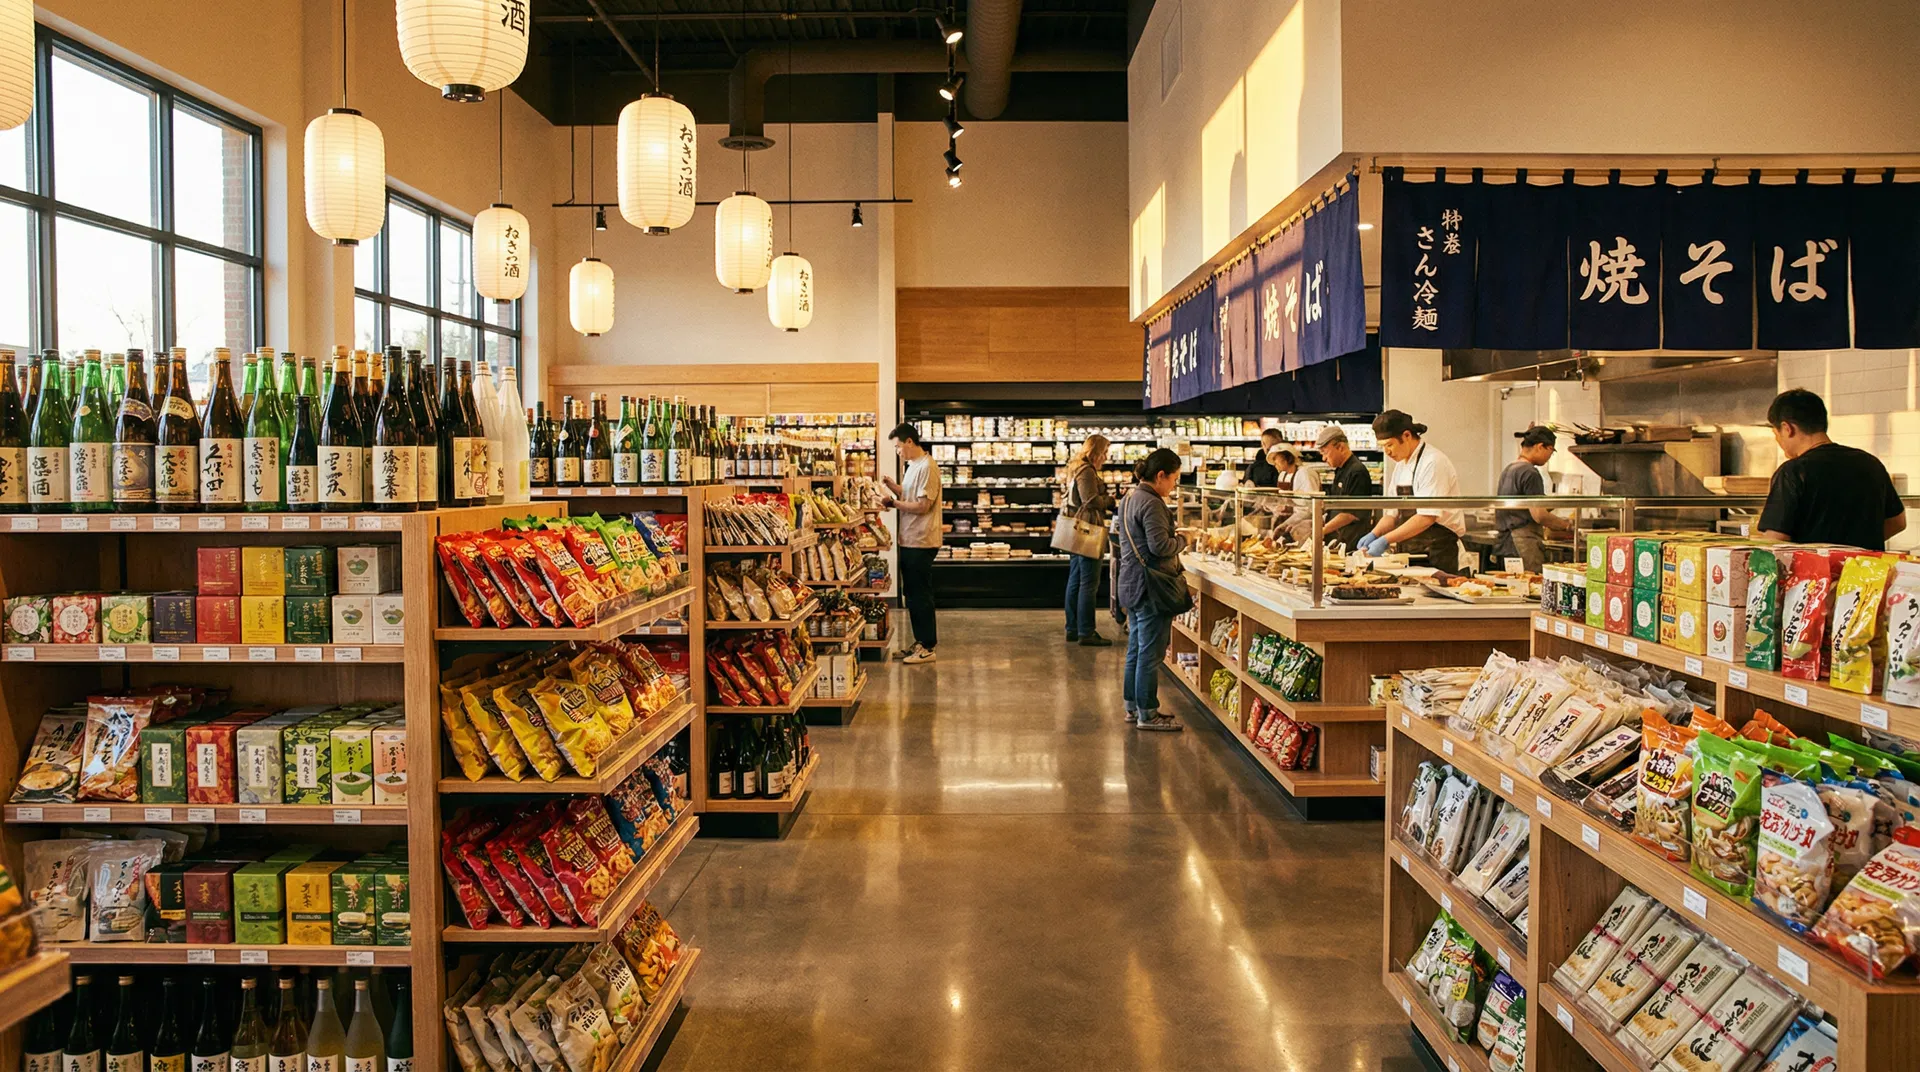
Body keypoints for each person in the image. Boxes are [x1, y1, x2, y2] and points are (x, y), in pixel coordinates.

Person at [1759, 388, 1906, 550]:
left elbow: (1775, 541)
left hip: (1815, 573)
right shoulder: (1870, 463)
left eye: (1776, 434)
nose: (1778, 441)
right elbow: (1897, 522)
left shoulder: (1793, 471)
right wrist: (1853, 548)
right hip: (1865, 571)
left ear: (1787, 429)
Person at [1116, 448, 1188, 732]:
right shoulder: (1152, 502)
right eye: (1174, 479)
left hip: (1131, 582)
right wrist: (1184, 539)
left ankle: (1133, 707)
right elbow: (1160, 547)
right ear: (1160, 476)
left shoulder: (1129, 497)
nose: (1174, 485)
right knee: (1149, 652)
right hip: (1151, 587)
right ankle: (1148, 714)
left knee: (1136, 648)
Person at [1356, 409, 1466, 572]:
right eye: (1383, 447)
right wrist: (1374, 534)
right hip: (1410, 549)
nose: (1387, 452)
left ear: (1407, 435)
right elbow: (1392, 515)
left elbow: (1427, 517)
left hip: (1439, 551)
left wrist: (1385, 540)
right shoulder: (1401, 466)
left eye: (1389, 445)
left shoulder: (1433, 462)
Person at [881, 422, 943, 664]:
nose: (898, 451)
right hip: (910, 539)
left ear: (909, 442)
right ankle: (920, 642)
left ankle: (928, 646)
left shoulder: (928, 467)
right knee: (913, 594)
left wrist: (893, 503)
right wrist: (891, 487)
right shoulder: (912, 466)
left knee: (921, 595)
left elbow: (922, 506)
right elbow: (909, 495)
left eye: (898, 446)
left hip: (922, 540)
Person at [1493, 426, 1575, 572]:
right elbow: (1539, 515)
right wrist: (1567, 526)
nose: (1550, 456)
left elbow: (1522, 506)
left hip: (1504, 543)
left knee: (1510, 589)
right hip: (1523, 544)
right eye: (1551, 450)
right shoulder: (1530, 472)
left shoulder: (1509, 469)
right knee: (1528, 589)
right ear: (1540, 446)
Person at [1061, 434, 1116, 646]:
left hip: (1076, 530)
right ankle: (1086, 631)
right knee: (1088, 583)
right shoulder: (1086, 471)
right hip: (1087, 530)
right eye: (1104, 453)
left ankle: (1073, 628)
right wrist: (1110, 501)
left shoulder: (1076, 468)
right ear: (1095, 453)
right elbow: (1090, 500)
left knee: (1075, 579)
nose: (1106, 457)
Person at [1295, 425, 1375, 549]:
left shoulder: (1357, 471)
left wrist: (1320, 531)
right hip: (1338, 539)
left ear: (1340, 447)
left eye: (1325, 453)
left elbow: (1350, 514)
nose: (1324, 458)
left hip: (1351, 542)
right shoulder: (1340, 470)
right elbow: (1336, 506)